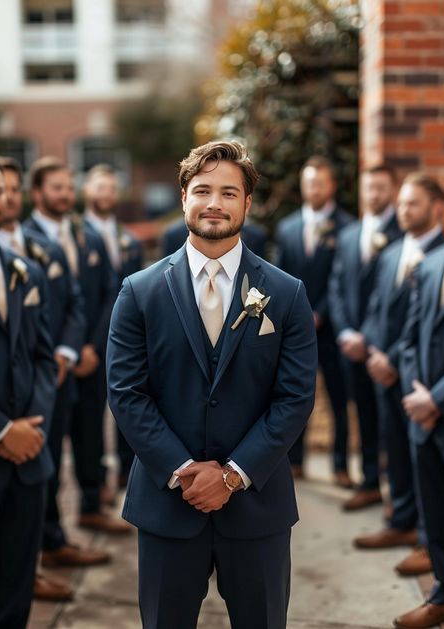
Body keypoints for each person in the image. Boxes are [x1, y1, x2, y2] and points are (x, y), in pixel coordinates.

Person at [107, 140, 318, 629]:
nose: (215, 204)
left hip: (256, 505)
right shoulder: (138, 292)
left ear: (247, 203)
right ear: (183, 197)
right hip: (167, 504)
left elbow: (295, 397)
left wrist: (232, 474)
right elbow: (126, 393)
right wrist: (183, 469)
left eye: (229, 192)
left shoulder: (286, 294)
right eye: (203, 190)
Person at [0, 157, 110, 599]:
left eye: (7, 190)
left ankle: (43, 549)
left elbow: (74, 303)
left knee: (43, 472)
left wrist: (64, 353)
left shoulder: (45, 249)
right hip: (0, 392)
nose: (2, 199)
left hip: (51, 380)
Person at [24, 157, 130, 538]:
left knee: (90, 435)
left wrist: (92, 348)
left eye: (69, 187)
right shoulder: (25, 239)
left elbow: (107, 295)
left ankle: (90, 504)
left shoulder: (90, 235)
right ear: (37, 193)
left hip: (90, 355)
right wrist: (57, 354)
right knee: (50, 446)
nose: (65, 195)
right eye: (57, 188)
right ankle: (50, 533)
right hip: (48, 363)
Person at [355, 174, 444, 571]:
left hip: (419, 379)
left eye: (414, 204)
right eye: (403, 203)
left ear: (437, 208)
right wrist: (377, 354)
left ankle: (430, 541)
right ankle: (401, 521)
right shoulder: (391, 252)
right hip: (386, 370)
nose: (404, 211)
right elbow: (377, 308)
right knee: (395, 446)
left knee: (426, 462)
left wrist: (395, 363)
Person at [0, 152, 57, 627]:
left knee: (13, 589)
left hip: (29, 459)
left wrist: (31, 426)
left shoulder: (19, 266)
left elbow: (42, 356)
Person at [394, 171, 444, 629]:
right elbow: (410, 337)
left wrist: (438, 397)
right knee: (436, 513)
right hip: (425, 414)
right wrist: (418, 394)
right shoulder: (433, 263)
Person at [276, 156, 355, 487]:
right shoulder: (287, 228)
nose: (314, 189)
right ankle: (295, 461)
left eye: (320, 183)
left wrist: (319, 311)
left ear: (331, 185)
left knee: (339, 398)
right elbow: (281, 276)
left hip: (332, 327)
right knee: (296, 393)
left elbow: (343, 279)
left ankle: (340, 465)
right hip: (296, 329)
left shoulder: (349, 227)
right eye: (309, 183)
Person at [329, 164, 403, 510]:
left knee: (394, 423)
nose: (373, 195)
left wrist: (369, 340)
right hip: (351, 345)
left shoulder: (404, 233)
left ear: (393, 191)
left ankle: (400, 495)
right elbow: (336, 288)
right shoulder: (347, 235)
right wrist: (345, 332)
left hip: (385, 347)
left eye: (380, 189)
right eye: (368, 188)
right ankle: (370, 482)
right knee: (365, 417)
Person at [83, 164, 144, 489]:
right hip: (91, 339)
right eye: (100, 187)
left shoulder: (129, 240)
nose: (106, 194)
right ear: (87, 191)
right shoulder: (76, 235)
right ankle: (96, 484)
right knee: (91, 418)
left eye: (111, 188)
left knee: (130, 405)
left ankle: (127, 474)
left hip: (128, 338)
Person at [162, 212, 268, 259]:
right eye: (203, 192)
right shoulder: (174, 234)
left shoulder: (255, 235)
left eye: (228, 194)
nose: (214, 204)